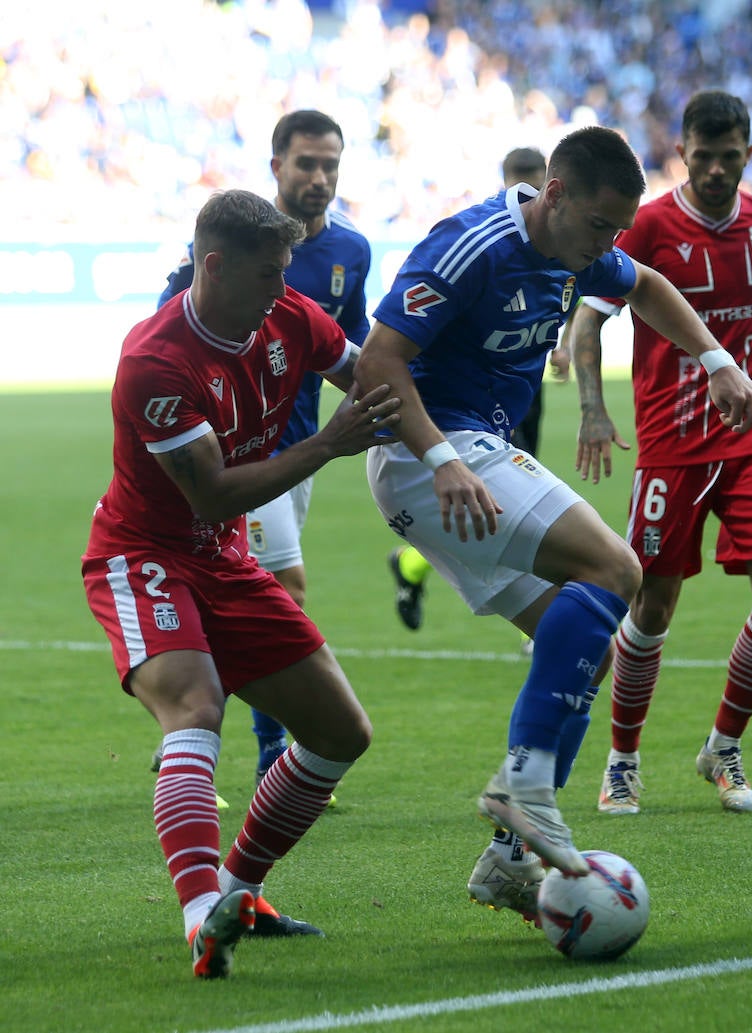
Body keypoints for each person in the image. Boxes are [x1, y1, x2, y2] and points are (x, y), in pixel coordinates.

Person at [354, 125, 752, 921]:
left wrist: (717, 359)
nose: (606, 246)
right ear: (556, 194)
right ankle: (526, 784)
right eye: (599, 226)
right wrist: (443, 460)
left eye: (618, 231)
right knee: (618, 571)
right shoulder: (472, 243)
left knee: (584, 647)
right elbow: (377, 360)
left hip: (463, 458)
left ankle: (507, 860)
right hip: (429, 454)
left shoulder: (581, 250)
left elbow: (644, 286)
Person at [81, 189, 401, 978]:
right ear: (213, 266)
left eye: (285, 271)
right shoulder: (155, 360)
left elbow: (367, 373)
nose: (281, 289)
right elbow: (215, 492)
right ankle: (199, 917)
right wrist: (329, 443)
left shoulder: (288, 314)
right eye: (267, 274)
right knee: (196, 703)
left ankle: (239, 891)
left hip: (223, 557)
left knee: (340, 733)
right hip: (144, 553)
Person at [567, 90, 752, 817]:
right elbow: (590, 320)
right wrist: (591, 407)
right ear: (682, 152)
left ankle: (724, 744)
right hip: (671, 444)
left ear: (748, 151)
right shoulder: (647, 226)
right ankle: (621, 760)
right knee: (651, 606)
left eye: (728, 155)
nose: (714, 169)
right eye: (701, 155)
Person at [154, 110, 371, 804]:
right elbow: (176, 332)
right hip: (249, 452)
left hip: (299, 445)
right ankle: (269, 752)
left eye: (331, 164)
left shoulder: (352, 251)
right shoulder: (239, 242)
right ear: (276, 164)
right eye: (306, 163)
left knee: (251, 590)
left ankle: (186, 734)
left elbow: (356, 348)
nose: (319, 177)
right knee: (287, 586)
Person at [387, 146, 568, 638]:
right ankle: (550, 625)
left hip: (516, 397)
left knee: (513, 497)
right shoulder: (480, 245)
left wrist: (566, 342)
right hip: (460, 416)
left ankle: (411, 564)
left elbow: (579, 293)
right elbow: (383, 353)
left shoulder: (560, 247)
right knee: (524, 513)